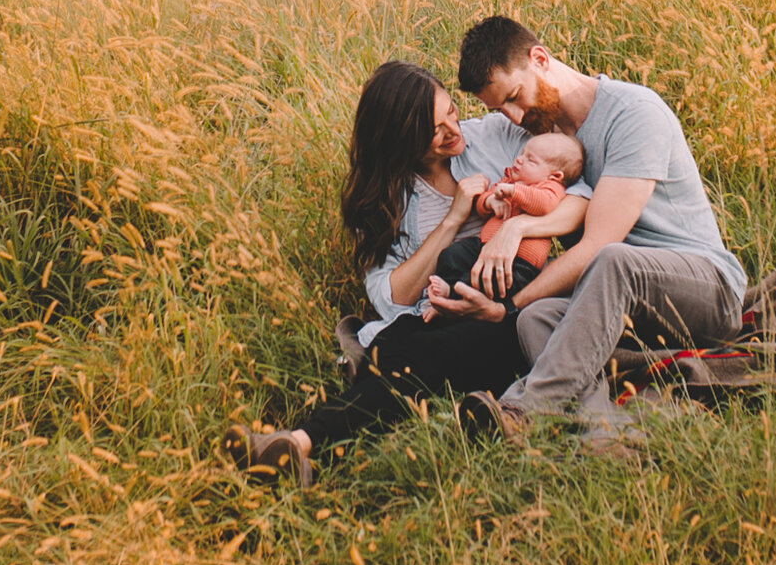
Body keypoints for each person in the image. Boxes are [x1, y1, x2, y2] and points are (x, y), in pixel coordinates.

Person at [224, 59, 590, 487]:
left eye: (450, 111)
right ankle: (302, 453)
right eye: (433, 131)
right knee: (391, 346)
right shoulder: (388, 196)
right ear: (398, 141)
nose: (454, 130)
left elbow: (579, 194)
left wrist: (518, 227)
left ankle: (301, 443)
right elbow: (388, 296)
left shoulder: (494, 137)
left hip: (507, 312)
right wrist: (452, 221)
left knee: (415, 359)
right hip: (434, 310)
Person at [430, 15, 749, 447]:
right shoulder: (551, 140)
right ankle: (607, 437)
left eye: (514, 97)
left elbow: (603, 244)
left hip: (705, 288)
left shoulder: (633, 113)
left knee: (609, 261)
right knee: (535, 320)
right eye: (499, 109)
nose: (515, 116)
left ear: (539, 58)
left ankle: (521, 409)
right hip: (622, 300)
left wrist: (505, 309)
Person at [422, 131, 584, 318]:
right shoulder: (509, 179)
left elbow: (543, 205)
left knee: (488, 281)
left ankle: (452, 299)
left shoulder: (549, 188)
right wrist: (490, 201)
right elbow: (482, 202)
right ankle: (446, 292)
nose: (520, 160)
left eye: (530, 160)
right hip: (484, 248)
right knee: (453, 254)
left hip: (518, 264)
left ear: (554, 175)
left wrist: (514, 191)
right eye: (522, 153)